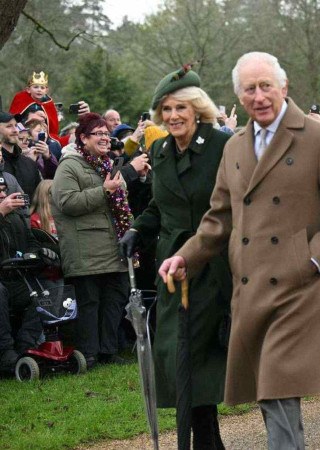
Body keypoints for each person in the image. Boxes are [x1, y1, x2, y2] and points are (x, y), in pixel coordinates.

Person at [158, 52, 320, 449]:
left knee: (275, 384)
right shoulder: (234, 148)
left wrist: (314, 259)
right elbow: (218, 218)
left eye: (266, 85)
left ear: (283, 88)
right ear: (239, 96)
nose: (259, 96)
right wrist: (186, 255)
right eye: (249, 89)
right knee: (270, 389)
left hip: (301, 285)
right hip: (251, 286)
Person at [119, 65, 233, 448]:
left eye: (180, 108)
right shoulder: (159, 150)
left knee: (196, 352)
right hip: (172, 270)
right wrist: (137, 229)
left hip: (212, 265)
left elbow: (234, 206)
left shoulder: (221, 145)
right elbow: (159, 205)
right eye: (165, 110)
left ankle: (204, 438)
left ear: (197, 109)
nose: (172, 117)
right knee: (174, 353)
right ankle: (207, 437)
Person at [51, 113, 131, 369]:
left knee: (115, 297)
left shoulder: (108, 165)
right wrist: (104, 191)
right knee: (89, 302)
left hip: (111, 246)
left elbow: (120, 200)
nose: (106, 138)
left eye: (107, 133)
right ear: (83, 138)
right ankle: (90, 354)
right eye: (99, 133)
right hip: (84, 249)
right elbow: (67, 202)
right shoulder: (69, 166)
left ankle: (108, 350)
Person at [0, 176, 58, 372]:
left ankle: (25, 346)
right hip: (1, 282)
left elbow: (30, 241)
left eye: (3, 190)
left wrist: (40, 253)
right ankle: (5, 352)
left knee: (47, 292)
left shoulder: (16, 218)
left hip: (15, 277)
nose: (2, 194)